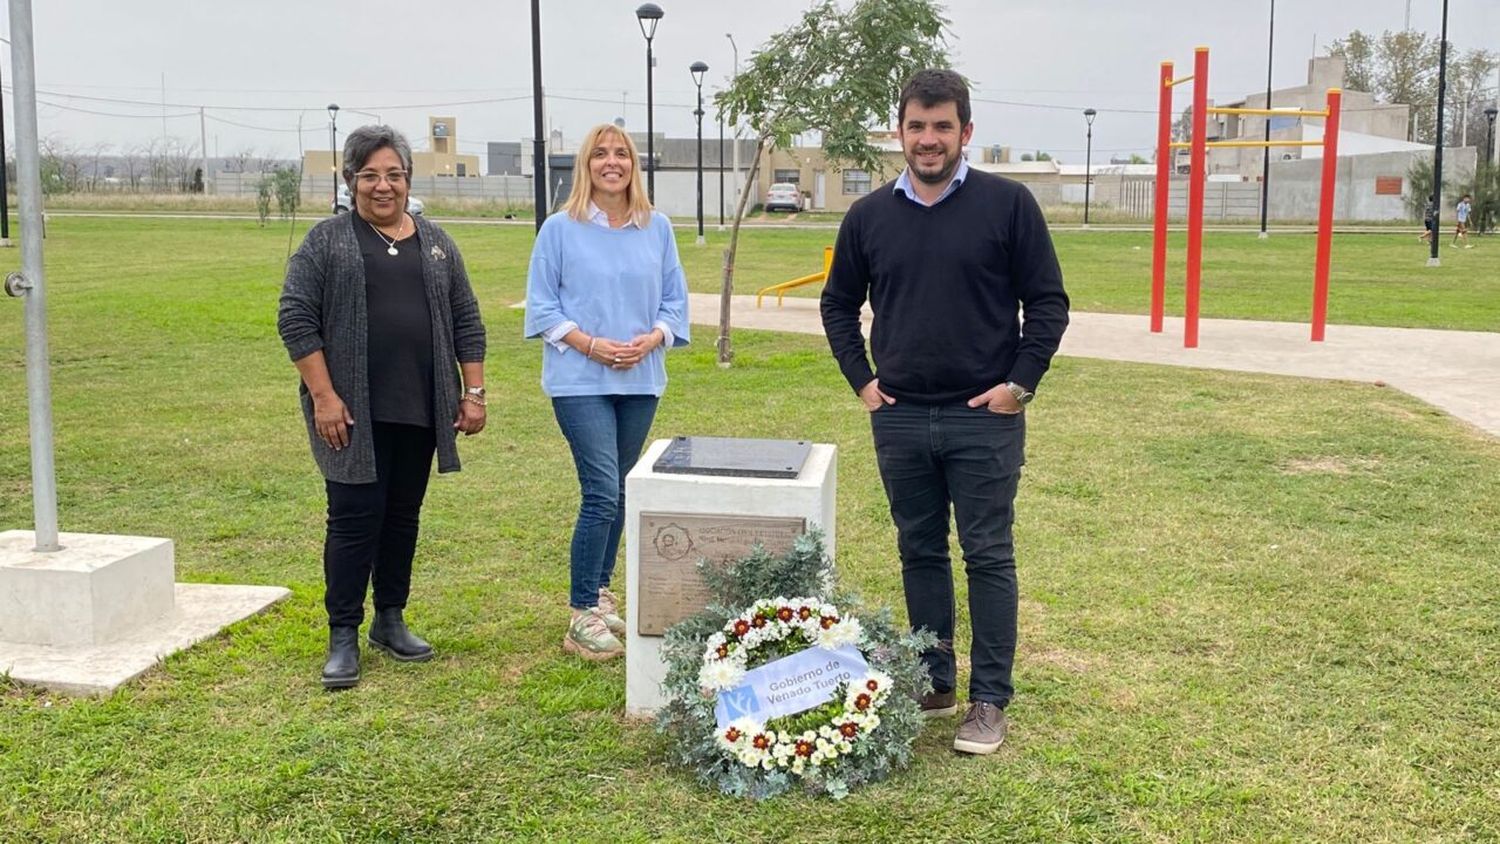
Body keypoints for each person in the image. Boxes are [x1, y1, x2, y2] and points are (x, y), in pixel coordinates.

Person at [820, 69, 1070, 755]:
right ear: (899, 131)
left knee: (988, 555)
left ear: (966, 131)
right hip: (899, 416)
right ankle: (934, 680)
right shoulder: (868, 216)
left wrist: (1019, 384)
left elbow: (1047, 302)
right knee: (918, 550)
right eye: (916, 126)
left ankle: (989, 700)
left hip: (983, 417)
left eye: (942, 126)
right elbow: (838, 304)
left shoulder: (1009, 205)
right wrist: (864, 384)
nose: (928, 140)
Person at [278, 125, 488, 690]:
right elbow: (295, 320)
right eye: (369, 174)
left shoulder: (437, 241)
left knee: (402, 518)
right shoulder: (326, 242)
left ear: (408, 180)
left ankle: (389, 619)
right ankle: (342, 633)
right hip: (350, 413)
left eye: (393, 174)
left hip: (420, 407)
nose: (382, 185)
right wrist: (324, 397)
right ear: (349, 181)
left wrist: (473, 393)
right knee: (352, 520)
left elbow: (466, 319)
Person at [524, 123, 690, 662]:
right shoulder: (559, 229)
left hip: (640, 378)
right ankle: (579, 615)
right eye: (601, 154)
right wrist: (590, 345)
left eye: (621, 154)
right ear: (586, 165)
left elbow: (674, 301)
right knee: (599, 491)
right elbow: (543, 306)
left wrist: (653, 339)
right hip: (580, 380)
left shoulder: (656, 228)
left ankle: (599, 593)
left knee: (620, 490)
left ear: (634, 165)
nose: (611, 162)